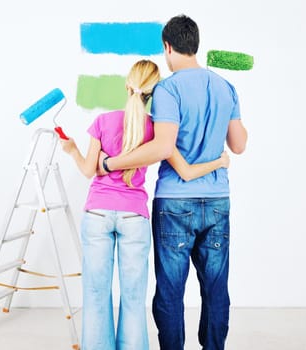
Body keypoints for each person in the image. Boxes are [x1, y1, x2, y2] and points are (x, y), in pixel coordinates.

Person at [99, 15, 248, 350]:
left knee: (170, 291)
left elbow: (163, 146)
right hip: (217, 199)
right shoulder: (226, 87)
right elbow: (238, 145)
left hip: (174, 203)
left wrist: (110, 163)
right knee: (215, 289)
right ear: (195, 44)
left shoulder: (168, 88)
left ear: (168, 47)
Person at [60, 59, 230, 350]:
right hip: (134, 217)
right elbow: (186, 170)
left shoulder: (102, 121)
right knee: (134, 297)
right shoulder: (157, 130)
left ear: (128, 85)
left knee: (96, 293)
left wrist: (72, 149)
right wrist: (220, 161)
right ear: (153, 92)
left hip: (98, 213)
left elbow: (90, 170)